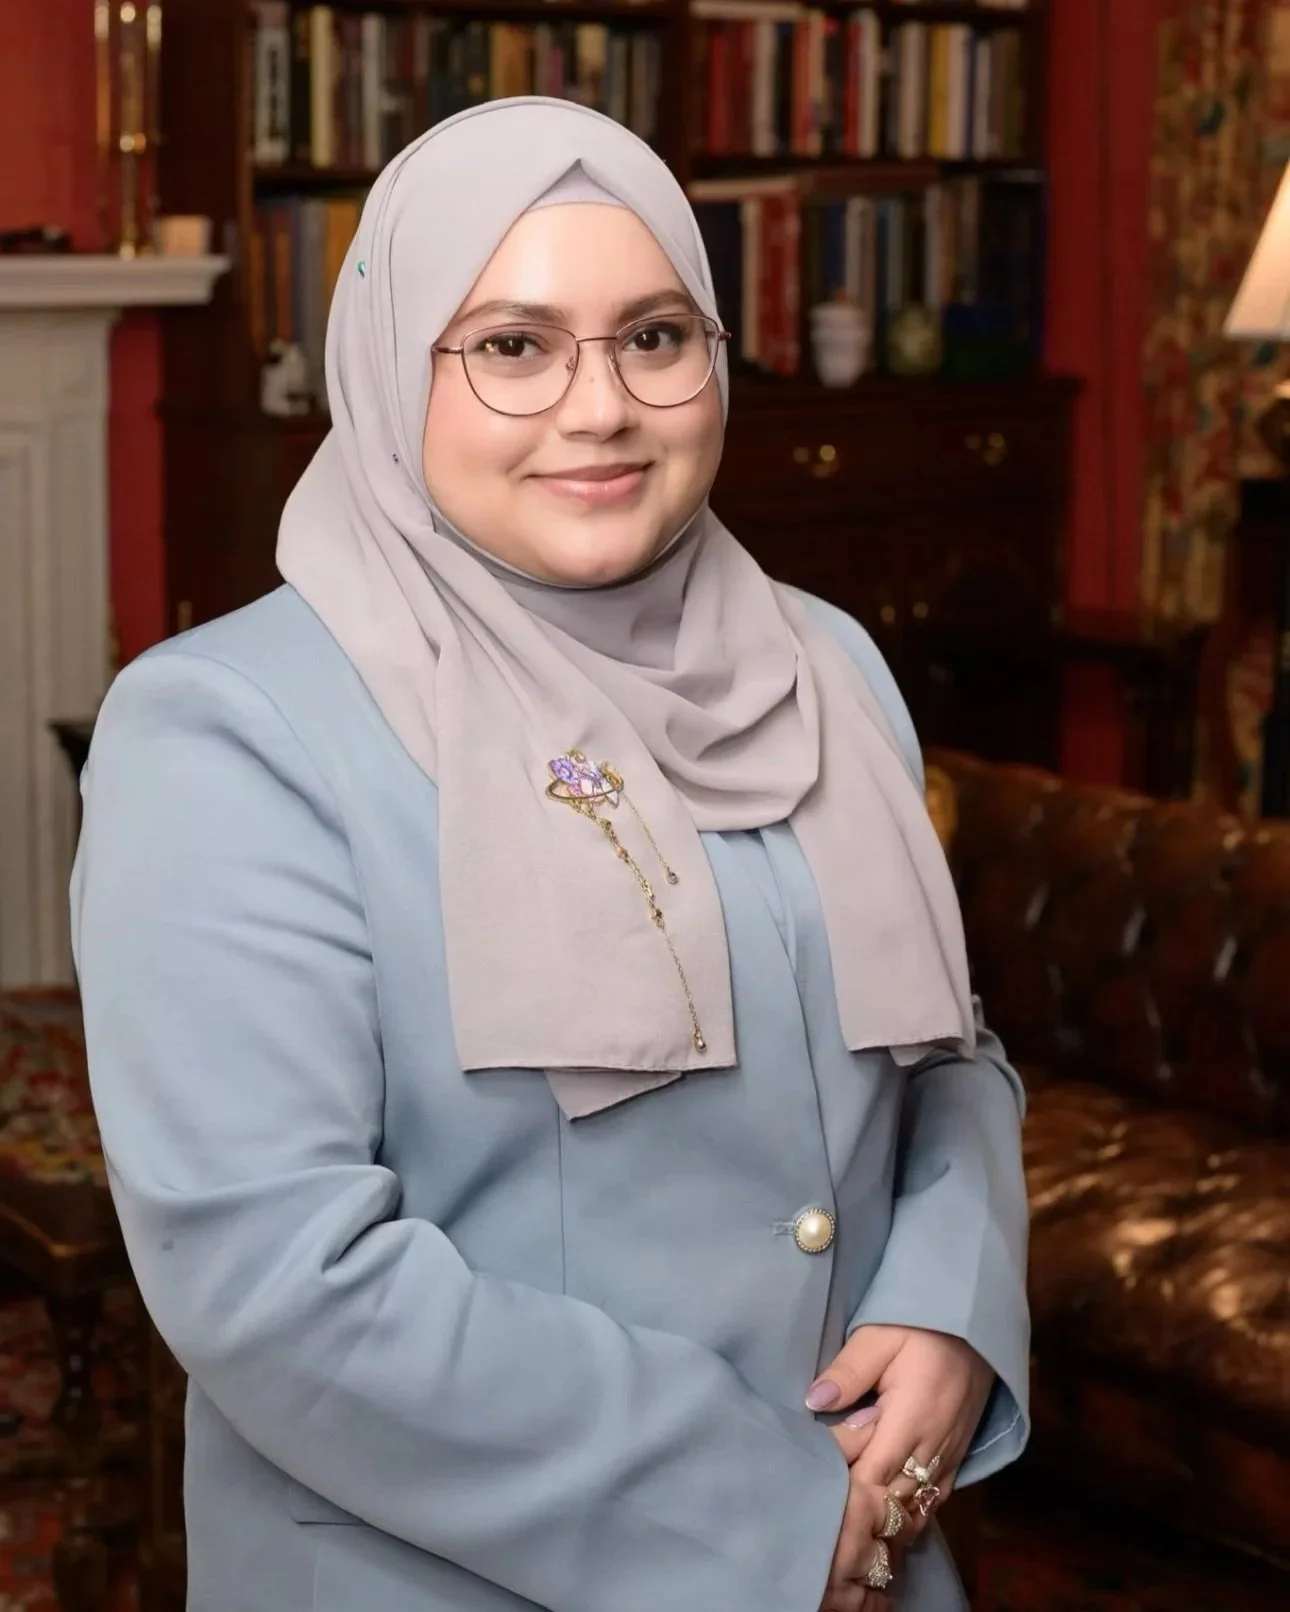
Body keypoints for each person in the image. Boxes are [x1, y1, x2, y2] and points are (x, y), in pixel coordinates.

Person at [70, 98, 1030, 1612]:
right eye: (511, 346)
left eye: (654, 335)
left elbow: (946, 1059)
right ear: (396, 376)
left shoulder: (826, 666)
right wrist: (765, 1521)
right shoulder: (226, 733)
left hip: (873, 1547)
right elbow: (279, 1289)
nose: (601, 407)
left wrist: (950, 1307)